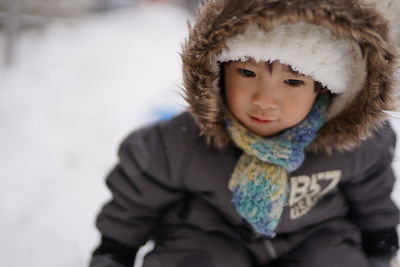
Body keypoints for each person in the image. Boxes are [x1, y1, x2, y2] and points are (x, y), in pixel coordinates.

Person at [89, 0, 400, 267]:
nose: (264, 100)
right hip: (211, 234)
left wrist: (380, 241)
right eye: (247, 73)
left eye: (292, 82)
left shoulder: (353, 145)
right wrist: (116, 248)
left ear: (324, 90)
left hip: (316, 235)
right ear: (218, 71)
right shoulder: (182, 141)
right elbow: (137, 196)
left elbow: (372, 195)